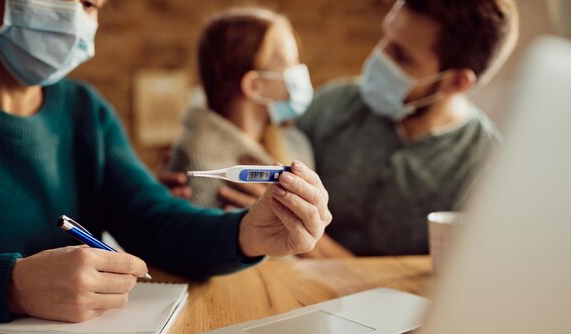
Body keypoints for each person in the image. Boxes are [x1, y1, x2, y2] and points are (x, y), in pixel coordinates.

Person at [0, 0, 332, 327]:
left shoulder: (86, 112)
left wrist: (248, 233)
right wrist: (10, 286)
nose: (81, 16)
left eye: (93, 5)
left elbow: (153, 221)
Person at [216, 0, 519, 256]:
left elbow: (441, 286)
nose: (378, 56)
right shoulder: (334, 105)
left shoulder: (484, 166)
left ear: (457, 82)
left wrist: (312, 242)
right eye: (384, 38)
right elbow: (256, 156)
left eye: (400, 56)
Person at [167, 7, 315, 209]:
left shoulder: (296, 145)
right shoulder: (197, 162)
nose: (299, 73)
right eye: (289, 63)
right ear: (253, 85)